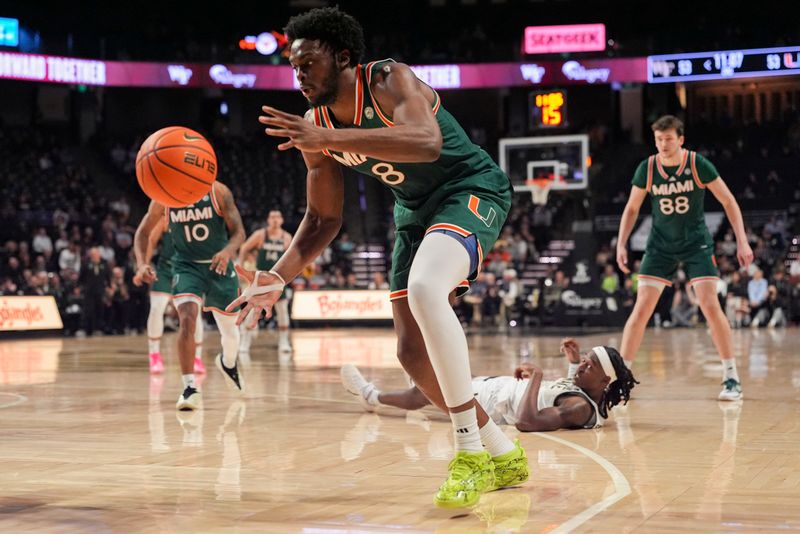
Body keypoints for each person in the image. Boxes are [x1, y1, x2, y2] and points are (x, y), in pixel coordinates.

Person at [227, 6, 526, 508]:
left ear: (343, 57)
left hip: (470, 188)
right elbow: (322, 219)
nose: (299, 76)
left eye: (310, 64)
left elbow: (428, 143)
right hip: (415, 213)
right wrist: (277, 277)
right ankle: (501, 450)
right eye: (294, 67)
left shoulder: (389, 79)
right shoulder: (314, 124)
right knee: (411, 355)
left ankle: (470, 454)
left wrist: (330, 138)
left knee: (429, 289)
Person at [616, 115, 753, 401]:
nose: (663, 144)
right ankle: (622, 378)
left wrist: (742, 240)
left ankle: (731, 377)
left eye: (668, 138)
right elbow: (631, 209)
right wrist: (622, 243)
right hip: (660, 246)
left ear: (680, 139)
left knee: (709, 304)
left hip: (696, 245)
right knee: (641, 309)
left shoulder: (697, 164)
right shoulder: (648, 168)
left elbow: (728, 201)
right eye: (658, 139)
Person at [341, 338, 638, 431]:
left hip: (491, 405)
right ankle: (421, 380)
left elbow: (526, 421)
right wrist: (573, 363)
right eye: (584, 361)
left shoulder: (577, 408)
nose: (581, 367)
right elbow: (569, 389)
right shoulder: (587, 393)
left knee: (423, 394)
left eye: (588, 366)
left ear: (605, 380)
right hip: (499, 390)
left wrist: (536, 376)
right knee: (437, 384)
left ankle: (370, 396)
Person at [135, 182, 246, 411]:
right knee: (186, 319)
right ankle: (189, 387)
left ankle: (228, 363)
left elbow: (239, 232)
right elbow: (143, 232)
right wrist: (141, 264)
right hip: (186, 267)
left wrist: (227, 251)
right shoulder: (165, 195)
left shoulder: (218, 191)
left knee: (230, 332)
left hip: (220, 265)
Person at [133, 218, 204, 375]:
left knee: (195, 314)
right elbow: (151, 239)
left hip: (189, 269)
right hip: (166, 269)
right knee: (157, 308)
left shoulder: (199, 215)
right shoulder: (166, 216)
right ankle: (154, 355)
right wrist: (143, 265)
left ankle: (197, 358)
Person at [237, 209, 294, 355]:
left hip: (277, 280)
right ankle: (245, 342)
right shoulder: (260, 235)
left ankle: (284, 342)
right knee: (252, 311)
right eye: (272, 217)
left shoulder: (287, 237)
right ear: (268, 220)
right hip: (261, 280)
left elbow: (293, 258)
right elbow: (244, 248)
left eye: (277, 217)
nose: (275, 219)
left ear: (281, 220)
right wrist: (242, 268)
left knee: (282, 312)